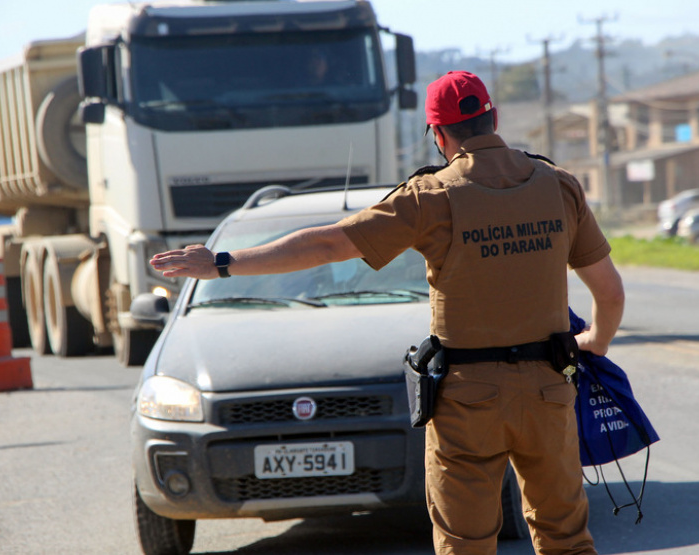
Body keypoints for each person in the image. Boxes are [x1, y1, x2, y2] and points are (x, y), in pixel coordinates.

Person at [150, 70, 624, 555]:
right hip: (548, 386)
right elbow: (609, 294)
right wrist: (595, 343)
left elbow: (330, 243)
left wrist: (223, 262)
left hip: (468, 398)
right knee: (566, 539)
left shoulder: (430, 197)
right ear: (494, 119)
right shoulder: (559, 186)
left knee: (466, 543)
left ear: (438, 135)